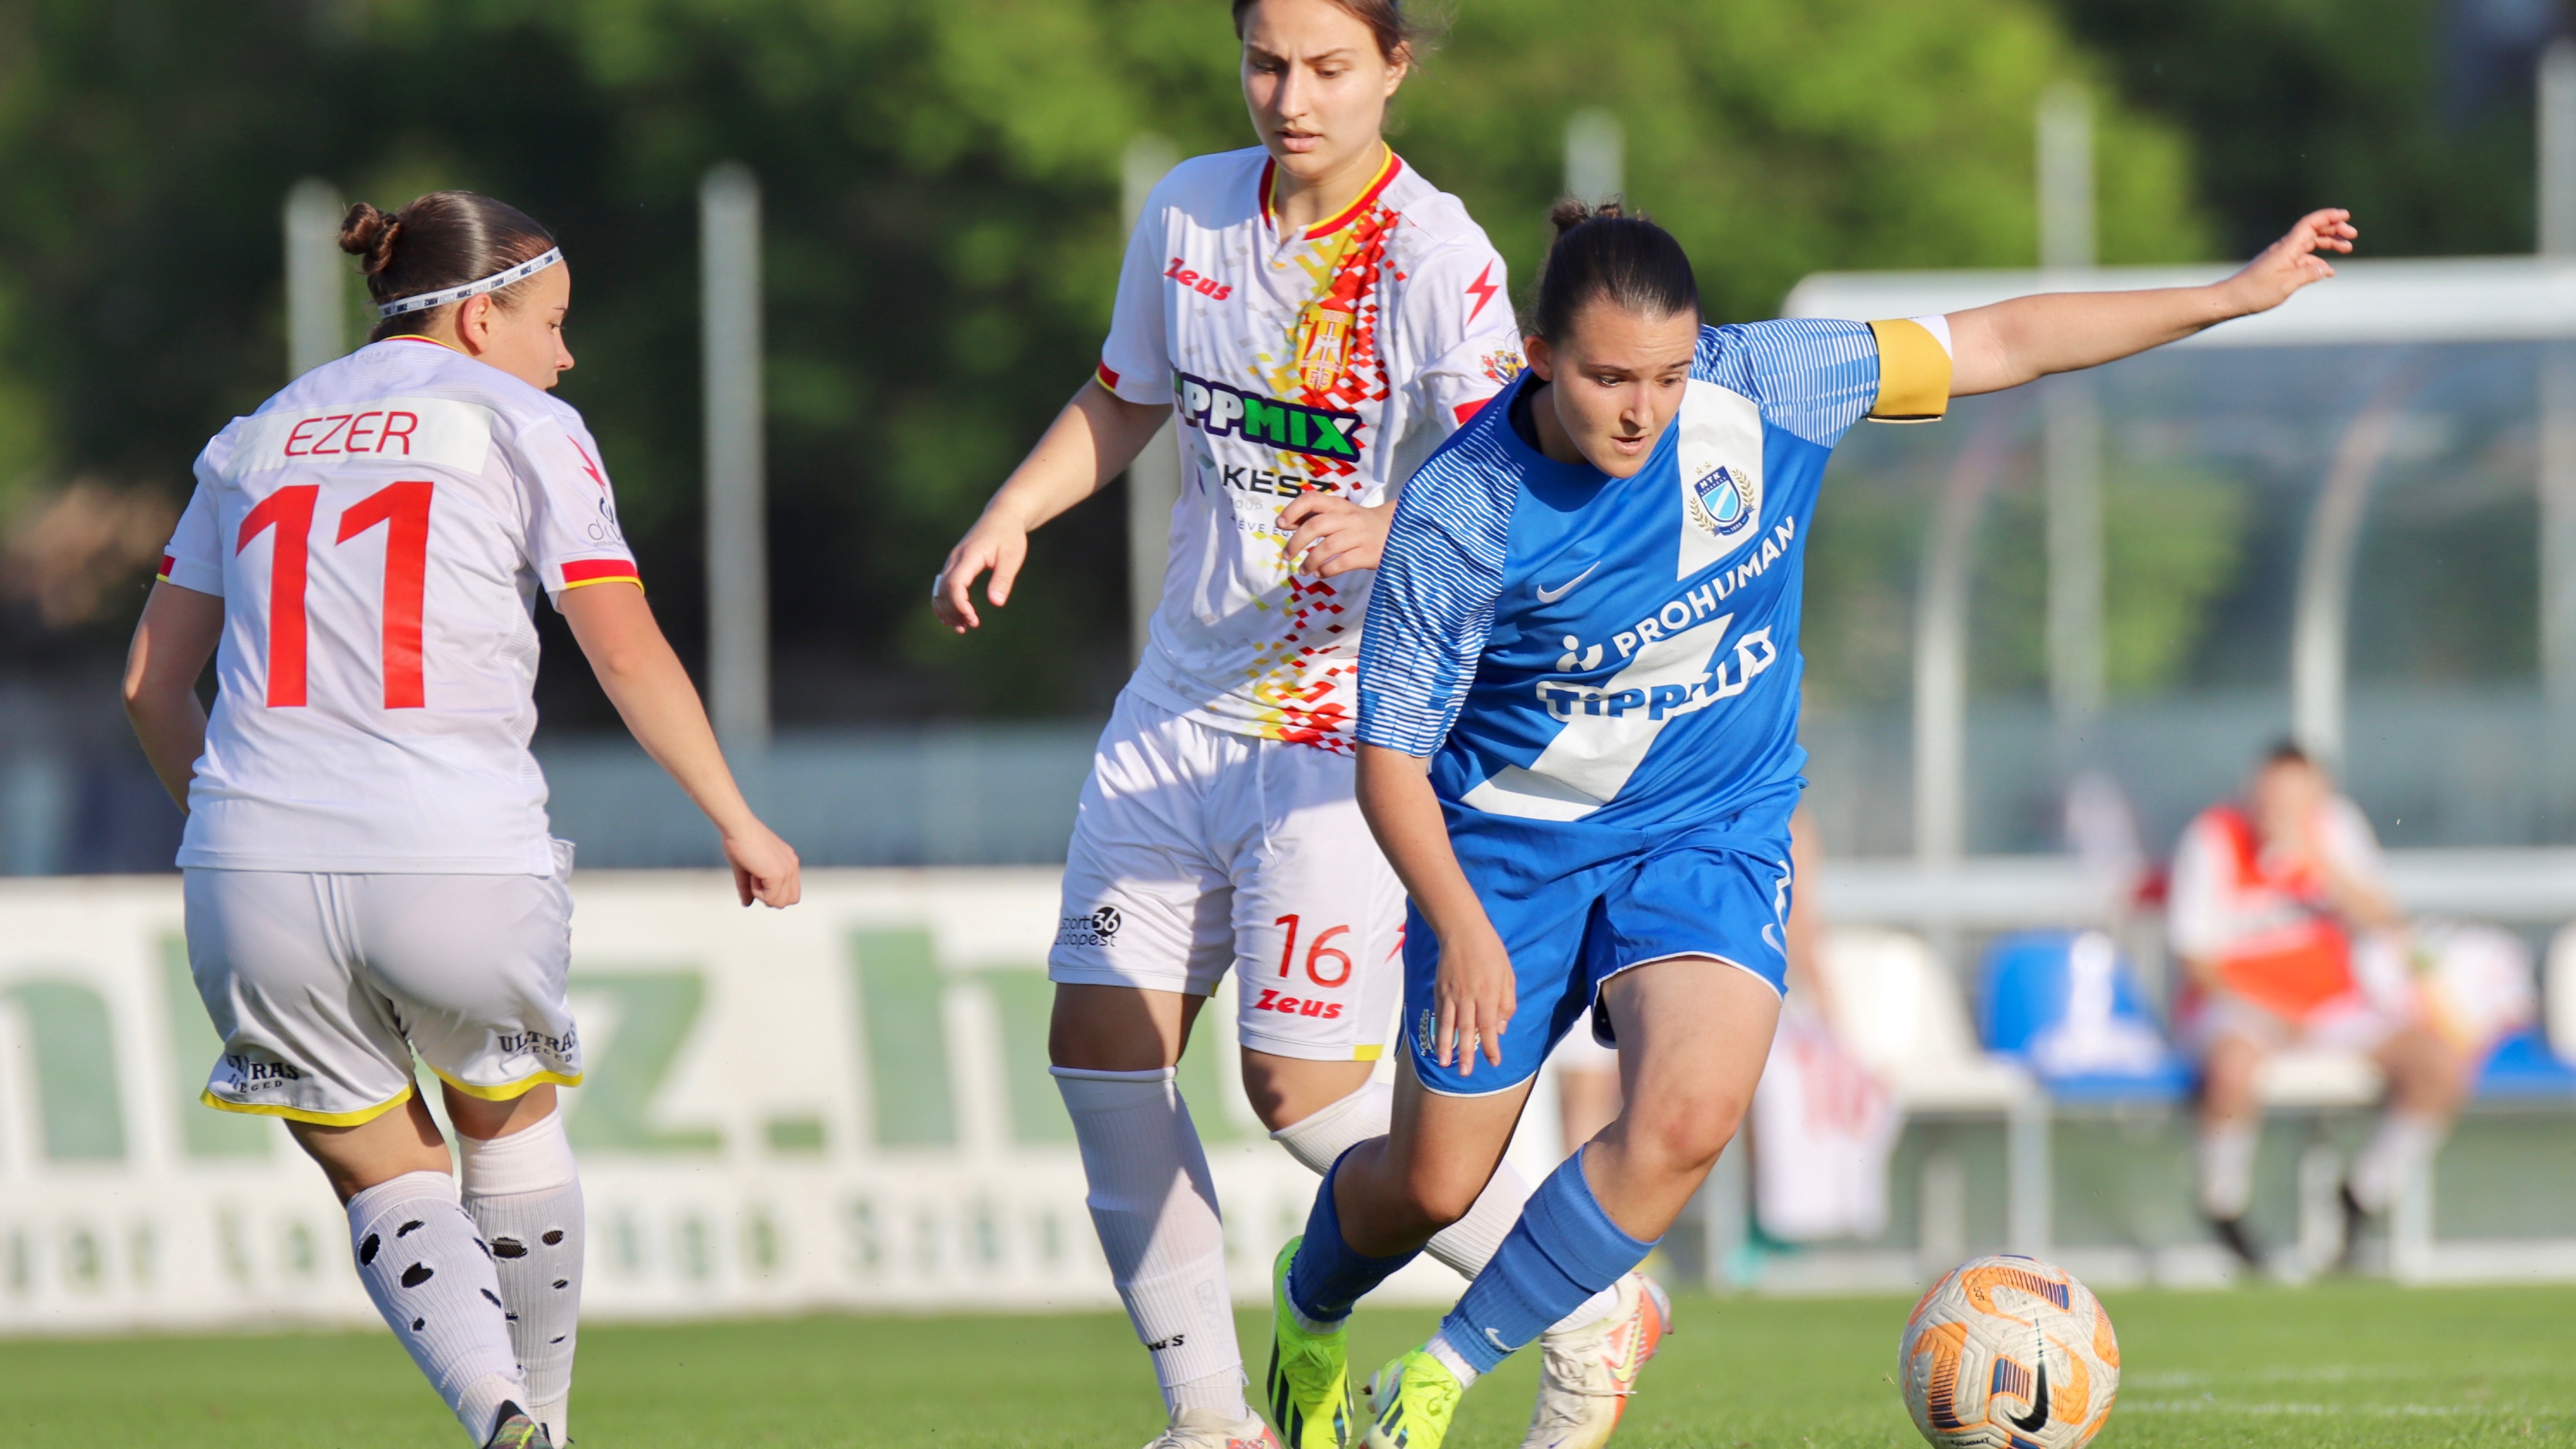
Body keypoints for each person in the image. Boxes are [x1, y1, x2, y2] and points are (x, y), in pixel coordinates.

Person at [1265, 198, 2358, 1449]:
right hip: (1513, 864)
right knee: (1427, 1185)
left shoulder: (1774, 382)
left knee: (1686, 1116)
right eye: (1607, 378)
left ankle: (1443, 1377)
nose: (1642, 411)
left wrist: (2224, 295)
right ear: (1536, 354)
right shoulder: (1459, 514)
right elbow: (1389, 765)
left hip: (1713, 829)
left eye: (1667, 376)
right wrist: (1456, 925)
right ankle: (1310, 1306)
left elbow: (1998, 341)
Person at [930, 4, 1663, 1448]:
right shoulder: (1189, 211)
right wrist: (1011, 511)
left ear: (1395, 66)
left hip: (1346, 725)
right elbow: (1123, 395)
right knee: (1099, 1055)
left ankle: (1586, 1294)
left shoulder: (1432, 254)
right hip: (1175, 706)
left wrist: (1392, 522)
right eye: (1268, 62)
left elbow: (1520, 475)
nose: (1292, 95)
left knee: (1297, 1088)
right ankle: (1211, 1421)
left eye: (1329, 67)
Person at [121, 191, 801, 1449]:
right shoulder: (525, 422)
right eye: (555, 322)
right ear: (481, 317)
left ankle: (489, 1406)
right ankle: (542, 1411)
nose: (568, 352)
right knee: (507, 1119)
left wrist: (233, 831)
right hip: (454, 848)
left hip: (249, 859)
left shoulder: (252, 436)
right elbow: (624, 647)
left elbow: (149, 684)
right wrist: (735, 816)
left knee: (382, 1165)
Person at [2167, 741, 2475, 1270]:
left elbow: (2384, 919)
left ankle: (2362, 1197)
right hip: (2242, 1006)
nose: (2277, 810)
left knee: (2437, 1065)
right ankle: (2224, 1205)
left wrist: (2322, 868)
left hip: (2331, 1006)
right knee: (2233, 1066)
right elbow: (2196, 960)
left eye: (2293, 798)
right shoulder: (2214, 837)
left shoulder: (2335, 831)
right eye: (2269, 796)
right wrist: (2273, 1013)